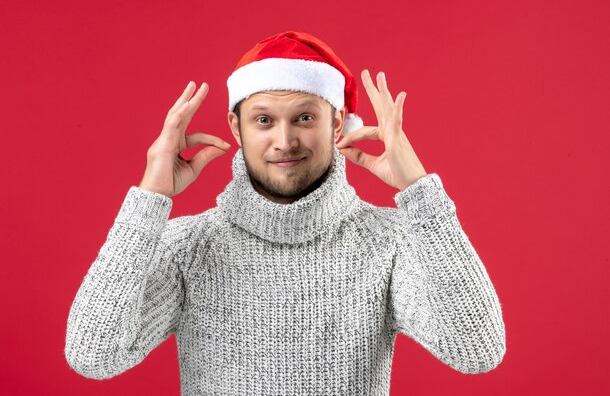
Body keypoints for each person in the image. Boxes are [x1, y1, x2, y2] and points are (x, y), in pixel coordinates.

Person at [65, 30, 506, 395]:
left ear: (337, 124)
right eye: (263, 120)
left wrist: (419, 191)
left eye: (304, 118)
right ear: (236, 127)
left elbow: (477, 349)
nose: (284, 141)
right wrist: (149, 199)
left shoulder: (387, 243)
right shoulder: (190, 247)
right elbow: (93, 355)